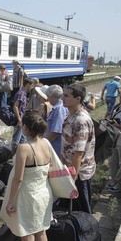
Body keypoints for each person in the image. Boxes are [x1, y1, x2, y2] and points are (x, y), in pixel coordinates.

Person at [0, 111, 52, 241]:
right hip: (44, 193)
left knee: (27, 231)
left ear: (25, 127)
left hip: (28, 196)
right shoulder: (46, 142)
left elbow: (18, 178)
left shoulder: (24, 148)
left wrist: (10, 201)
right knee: (40, 230)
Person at [58, 84, 96, 214]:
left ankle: (86, 232)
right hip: (70, 171)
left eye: (66, 96)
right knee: (67, 209)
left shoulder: (80, 120)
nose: (63, 98)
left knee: (82, 211)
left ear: (78, 99)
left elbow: (78, 153)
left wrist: (72, 180)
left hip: (79, 174)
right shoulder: (71, 116)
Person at [44, 85, 68, 158]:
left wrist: (43, 143)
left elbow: (56, 132)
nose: (47, 99)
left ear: (54, 96)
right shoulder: (60, 107)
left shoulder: (59, 109)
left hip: (56, 147)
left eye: (48, 96)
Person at [12, 78, 35, 152]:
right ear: (28, 84)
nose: (32, 88)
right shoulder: (21, 93)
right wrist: (19, 119)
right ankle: (13, 156)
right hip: (20, 120)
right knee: (16, 140)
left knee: (23, 139)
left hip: (22, 119)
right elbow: (15, 106)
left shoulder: (23, 93)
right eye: (31, 86)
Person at [107, 99, 121, 193]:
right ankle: (114, 181)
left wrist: (118, 126)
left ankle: (119, 184)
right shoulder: (117, 107)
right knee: (113, 162)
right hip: (114, 137)